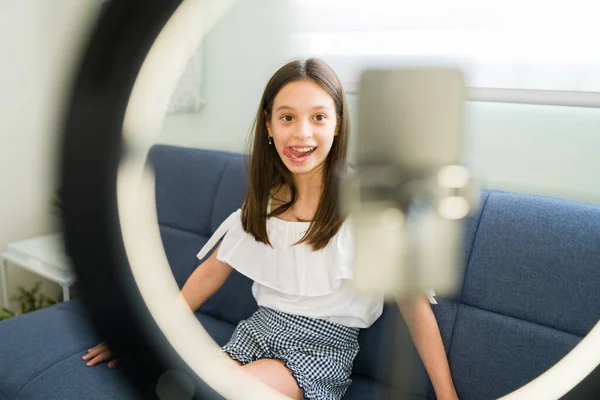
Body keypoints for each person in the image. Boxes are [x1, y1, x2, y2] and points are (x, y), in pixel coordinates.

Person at [83, 58, 459, 400]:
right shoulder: (263, 204)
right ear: (268, 125)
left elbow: (413, 304)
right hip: (255, 333)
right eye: (287, 118)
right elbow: (213, 270)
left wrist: (446, 396)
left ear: (338, 123)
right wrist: (144, 332)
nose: (302, 135)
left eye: (318, 117)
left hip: (320, 348)